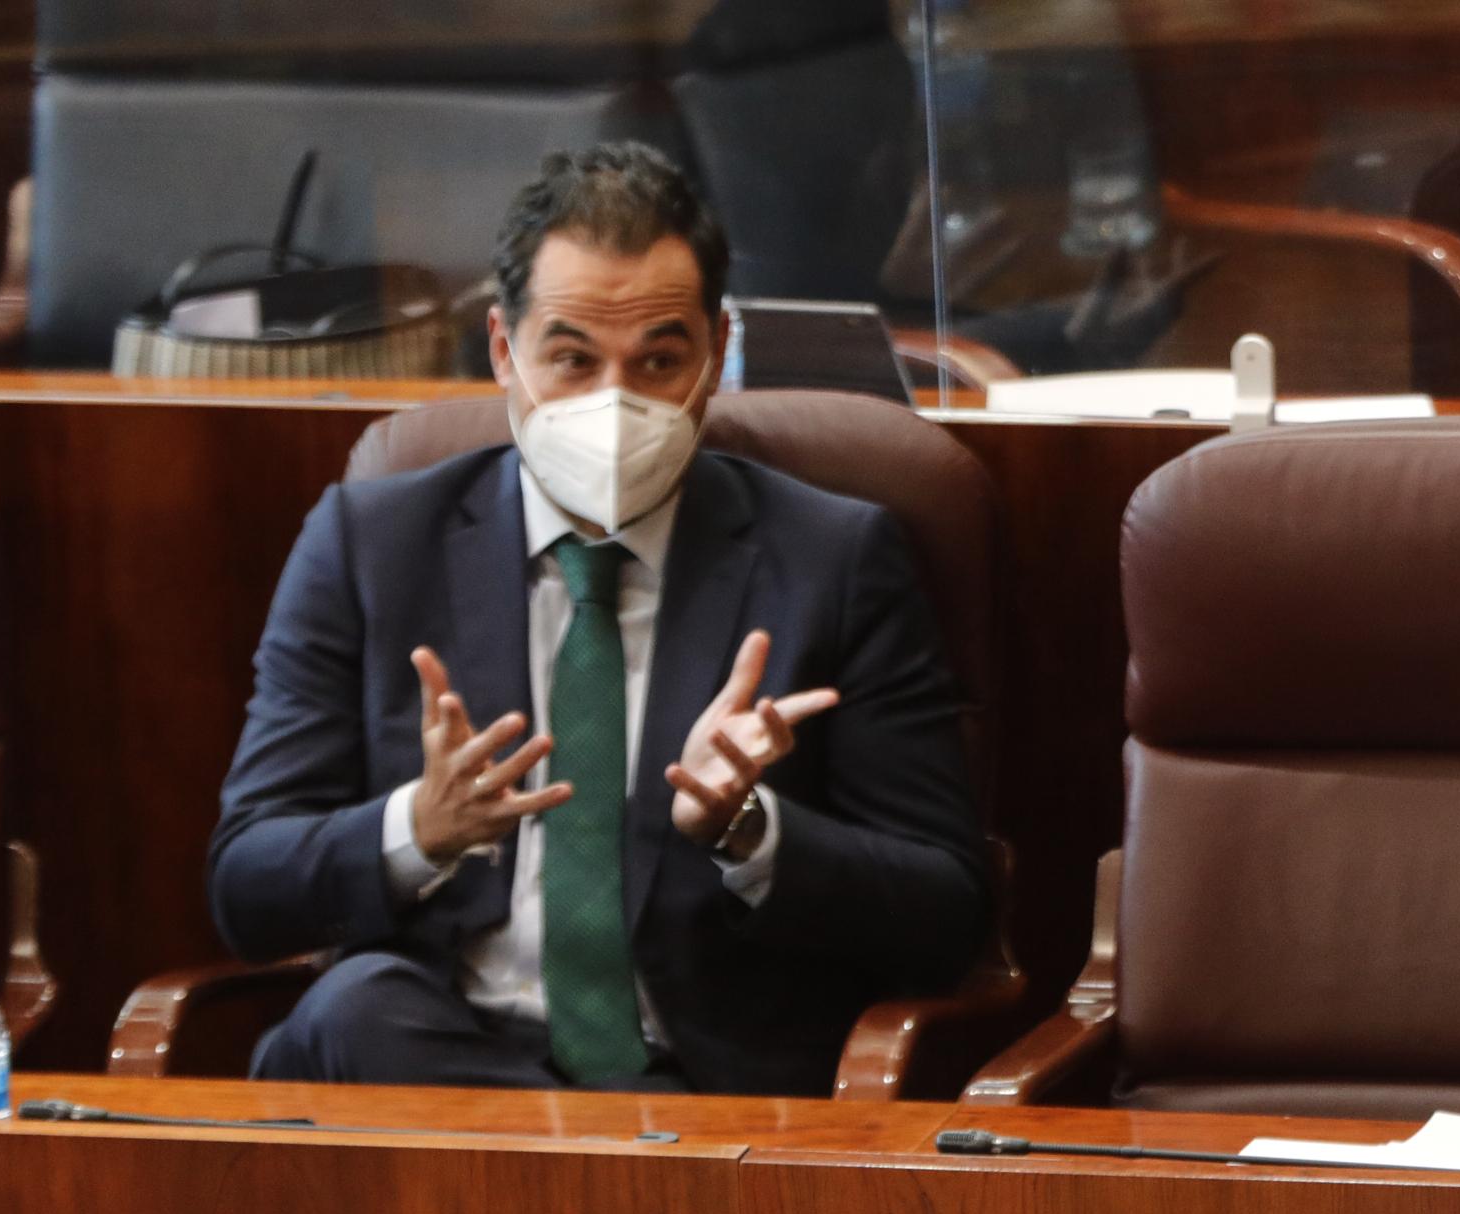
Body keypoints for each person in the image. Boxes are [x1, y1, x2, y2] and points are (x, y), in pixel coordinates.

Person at [208, 144, 989, 1095]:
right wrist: (418, 827)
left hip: (695, 1077)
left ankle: (590, 1178)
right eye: (572, 359)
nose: (615, 403)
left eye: (659, 360)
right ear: (504, 350)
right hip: (436, 1060)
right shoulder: (371, 546)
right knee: (355, 1012)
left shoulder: (833, 558)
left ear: (717, 352)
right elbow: (247, 886)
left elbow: (948, 914)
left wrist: (751, 829)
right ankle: (585, 1177)